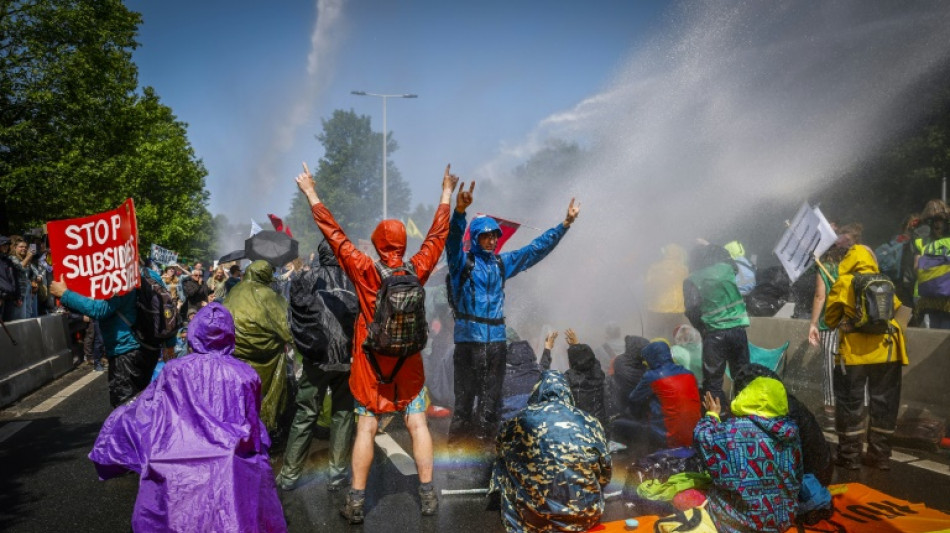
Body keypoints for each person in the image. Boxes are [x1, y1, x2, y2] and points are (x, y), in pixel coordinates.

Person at [296, 163, 457, 524]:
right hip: (409, 365)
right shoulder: (417, 268)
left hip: (370, 367)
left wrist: (311, 192)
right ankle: (428, 496)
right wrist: (446, 193)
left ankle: (355, 502)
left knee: (366, 428)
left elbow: (334, 234)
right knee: (418, 425)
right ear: (401, 244)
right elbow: (437, 236)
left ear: (379, 242)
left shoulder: (364, 269)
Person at [89, 302, 287, 532]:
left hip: (173, 458)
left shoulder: (174, 370)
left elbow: (146, 410)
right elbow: (253, 427)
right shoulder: (245, 374)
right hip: (230, 461)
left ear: (195, 332)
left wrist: (117, 432)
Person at [447, 181, 580, 444]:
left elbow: (534, 251)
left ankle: (485, 449)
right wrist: (460, 212)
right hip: (468, 342)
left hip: (496, 342)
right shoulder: (461, 262)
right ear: (475, 237)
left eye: (495, 235)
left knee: (491, 401)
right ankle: (458, 450)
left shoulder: (501, 263)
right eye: (486, 235)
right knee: (464, 401)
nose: (493, 240)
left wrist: (564, 225)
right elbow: (452, 241)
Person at [277, 240, 359, 492]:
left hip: (316, 360)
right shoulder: (354, 280)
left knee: (305, 415)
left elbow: (295, 314)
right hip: (346, 360)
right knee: (343, 415)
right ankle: (337, 475)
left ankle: (290, 475)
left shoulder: (307, 277)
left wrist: (306, 348)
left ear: (320, 255)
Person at [489, 370, 612, 533]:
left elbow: (499, 447)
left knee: (502, 461)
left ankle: (522, 509)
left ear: (538, 391)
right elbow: (605, 471)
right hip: (585, 518)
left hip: (535, 522)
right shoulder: (590, 420)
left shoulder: (521, 418)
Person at [824, 243, 908, 470]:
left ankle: (849, 456)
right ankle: (880, 456)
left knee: (850, 404)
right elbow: (900, 312)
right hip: (888, 353)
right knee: (884, 404)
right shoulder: (885, 281)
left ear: (849, 260)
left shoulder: (843, 283)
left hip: (854, 356)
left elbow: (829, 321)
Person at [694, 378, 802, 533]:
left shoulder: (732, 430)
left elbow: (702, 438)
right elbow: (798, 475)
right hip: (781, 520)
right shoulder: (790, 431)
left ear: (747, 397)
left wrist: (712, 415)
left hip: (738, 523)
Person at [51, 267, 159, 406]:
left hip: (126, 351)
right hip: (149, 348)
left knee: (124, 408)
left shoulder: (121, 279)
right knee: (141, 403)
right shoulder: (149, 274)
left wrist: (65, 294)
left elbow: (100, 310)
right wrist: (169, 343)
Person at [223, 260, 293, 435]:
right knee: (262, 395)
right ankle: (263, 429)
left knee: (238, 397)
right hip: (265, 356)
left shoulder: (235, 291)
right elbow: (286, 327)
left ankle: (238, 427)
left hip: (234, 352)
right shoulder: (269, 295)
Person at [683, 243, 750, 412]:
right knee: (743, 374)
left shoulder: (692, 279)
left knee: (713, 381)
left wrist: (703, 329)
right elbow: (730, 261)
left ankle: (719, 418)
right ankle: (746, 412)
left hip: (715, 334)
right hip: (738, 330)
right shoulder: (727, 268)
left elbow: (692, 310)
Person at [806, 226, 858, 431]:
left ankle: (830, 417)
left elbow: (820, 296)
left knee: (829, 371)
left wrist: (813, 324)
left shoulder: (824, 264)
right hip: (852, 326)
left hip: (829, 324)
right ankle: (855, 415)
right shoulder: (853, 265)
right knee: (852, 370)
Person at [626, 340, 701, 450]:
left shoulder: (652, 376)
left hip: (670, 436)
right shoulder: (688, 373)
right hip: (695, 433)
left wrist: (636, 415)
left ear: (650, 357)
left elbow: (634, 399)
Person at [561, 328, 609, 437]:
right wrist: (576, 345)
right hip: (599, 428)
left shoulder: (568, 378)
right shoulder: (598, 375)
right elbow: (593, 361)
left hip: (579, 429)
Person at [914, 199, 950, 329]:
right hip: (947, 297)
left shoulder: (920, 239)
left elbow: (916, 267)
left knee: (928, 337)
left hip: (924, 295)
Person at [645, 244, 688, 314]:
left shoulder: (654, 268)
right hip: (678, 309)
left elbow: (648, 288)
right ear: (679, 254)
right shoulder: (683, 270)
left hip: (657, 308)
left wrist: (648, 304)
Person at [0, 236, 22, 322]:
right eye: (3, 245)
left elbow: (14, 279)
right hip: (1, 297)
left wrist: (17, 296)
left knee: (9, 324)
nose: (6, 247)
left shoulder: (8, 261)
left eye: (7, 245)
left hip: (10, 297)